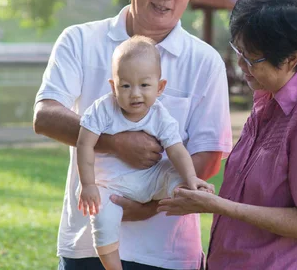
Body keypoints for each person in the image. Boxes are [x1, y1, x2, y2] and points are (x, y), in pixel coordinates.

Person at [33, 0, 232, 270]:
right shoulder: (80, 40)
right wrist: (112, 141)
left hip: (168, 253)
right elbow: (45, 116)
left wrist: (149, 208)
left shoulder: (204, 62)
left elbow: (209, 155)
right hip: (87, 246)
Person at [158, 0, 297, 270]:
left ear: (291, 59)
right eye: (239, 51)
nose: (241, 65)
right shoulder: (268, 97)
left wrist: (218, 206)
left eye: (252, 59)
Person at [77, 36, 214, 270]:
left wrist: (190, 179)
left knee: (174, 172)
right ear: (113, 86)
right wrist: (88, 185)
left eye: (144, 85)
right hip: (110, 185)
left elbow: (176, 150)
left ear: (160, 87)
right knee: (102, 218)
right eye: (126, 85)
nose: (135, 94)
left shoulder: (160, 115)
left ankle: (193, 191)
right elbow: (84, 145)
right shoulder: (102, 109)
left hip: (150, 181)